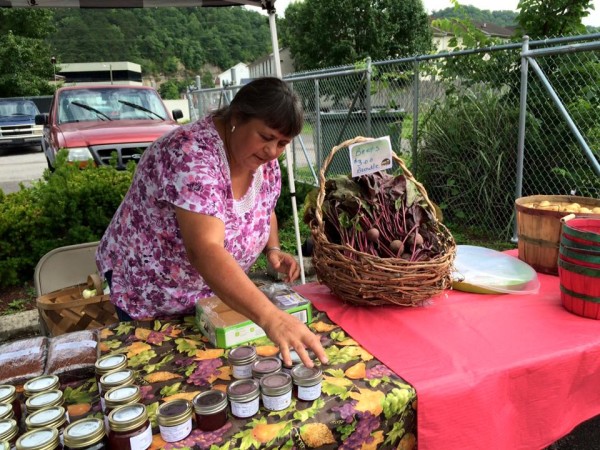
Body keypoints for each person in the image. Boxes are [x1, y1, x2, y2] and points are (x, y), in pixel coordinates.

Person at [96, 77, 327, 368]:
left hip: (211, 297)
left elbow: (263, 207)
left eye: (283, 143)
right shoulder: (190, 153)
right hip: (152, 291)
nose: (272, 151)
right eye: (266, 137)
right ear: (237, 117)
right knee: (160, 376)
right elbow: (205, 249)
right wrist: (271, 318)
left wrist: (272, 249)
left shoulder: (260, 160)